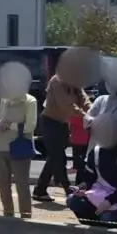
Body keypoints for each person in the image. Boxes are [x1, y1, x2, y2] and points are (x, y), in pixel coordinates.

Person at [33, 63, 89, 203]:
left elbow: (84, 99)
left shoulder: (75, 83)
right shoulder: (57, 80)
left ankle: (39, 190)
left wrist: (93, 111)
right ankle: (68, 188)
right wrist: (85, 115)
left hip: (63, 124)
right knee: (58, 157)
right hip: (49, 122)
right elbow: (65, 104)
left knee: (53, 157)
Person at [0, 61, 37, 219]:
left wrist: (8, 126)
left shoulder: (30, 101)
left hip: (19, 148)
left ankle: (26, 216)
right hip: (1, 146)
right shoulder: (4, 100)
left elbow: (30, 126)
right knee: (3, 186)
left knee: (22, 186)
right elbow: (1, 120)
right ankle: (7, 214)